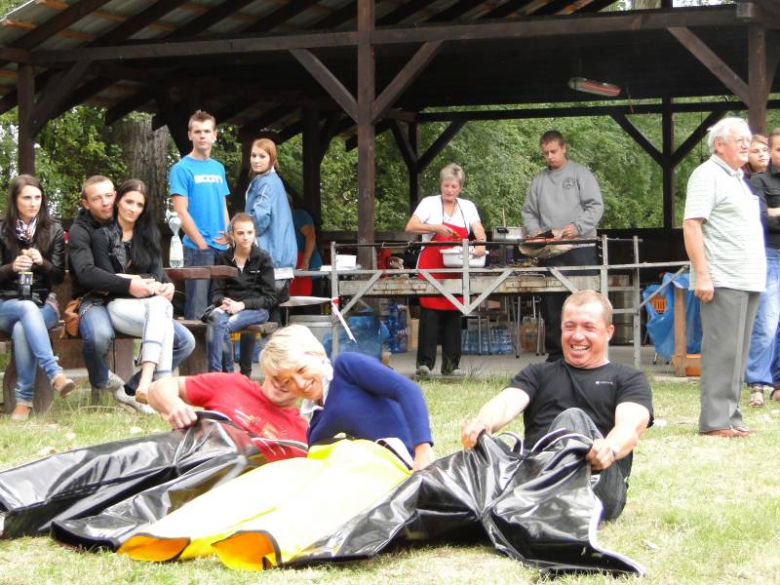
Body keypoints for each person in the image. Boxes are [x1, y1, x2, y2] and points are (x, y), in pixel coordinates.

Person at [0, 370, 308, 541]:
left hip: (209, 482)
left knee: (117, 496)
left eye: (293, 378)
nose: (282, 382)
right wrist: (173, 405)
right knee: (101, 462)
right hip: (175, 446)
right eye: (277, 372)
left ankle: (26, 521)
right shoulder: (235, 384)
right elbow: (162, 386)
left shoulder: (302, 433)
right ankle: (7, 495)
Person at [460, 290, 652, 521]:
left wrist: (609, 447)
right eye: (570, 327)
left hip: (597, 486)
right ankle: (527, 494)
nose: (577, 336)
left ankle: (528, 498)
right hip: (534, 474)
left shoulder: (628, 379)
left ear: (608, 332)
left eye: (588, 328)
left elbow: (630, 426)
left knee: (571, 419)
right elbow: (506, 402)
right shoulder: (538, 374)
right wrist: (484, 423)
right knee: (489, 449)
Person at [68, 175, 195, 412]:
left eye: (108, 195)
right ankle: (107, 382)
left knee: (184, 340)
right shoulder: (82, 230)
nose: (105, 202)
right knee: (99, 335)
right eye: (97, 198)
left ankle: (134, 389)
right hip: (95, 298)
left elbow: (156, 270)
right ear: (86, 203)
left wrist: (166, 284)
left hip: (139, 302)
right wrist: (133, 285)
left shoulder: (144, 232)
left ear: (115, 195)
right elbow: (87, 273)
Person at [683, 117, 765, 438]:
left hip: (746, 277)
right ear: (719, 144)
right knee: (721, 351)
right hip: (723, 277)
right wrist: (703, 274)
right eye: (739, 139)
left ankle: (731, 416)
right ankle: (715, 421)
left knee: (738, 354)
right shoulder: (706, 175)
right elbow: (692, 225)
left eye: (748, 139)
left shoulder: (737, 178)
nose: (747, 144)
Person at [262, 324, 435, 471]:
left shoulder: (345, 369)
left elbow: (406, 390)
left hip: (410, 468)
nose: (299, 383)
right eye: (288, 381)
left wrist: (422, 449)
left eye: (301, 369)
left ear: (316, 354)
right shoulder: (314, 430)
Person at [91, 179, 178, 400]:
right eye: (129, 201)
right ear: (118, 201)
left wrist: (169, 285)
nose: (133, 208)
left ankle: (148, 382)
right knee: (164, 314)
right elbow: (107, 277)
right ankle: (158, 387)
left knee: (162, 308)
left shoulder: (149, 236)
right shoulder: (102, 236)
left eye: (139, 205)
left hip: (150, 307)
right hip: (118, 306)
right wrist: (146, 281)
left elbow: (159, 274)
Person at [522, 130, 604, 361]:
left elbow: (596, 207)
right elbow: (528, 213)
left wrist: (576, 228)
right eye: (545, 153)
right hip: (550, 251)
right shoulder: (538, 181)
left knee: (585, 302)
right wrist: (537, 233)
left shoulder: (581, 173)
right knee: (552, 305)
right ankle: (556, 355)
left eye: (553, 152)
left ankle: (590, 351)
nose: (550, 157)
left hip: (580, 248)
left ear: (564, 148)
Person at [0, 175, 74, 421]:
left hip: (44, 305)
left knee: (25, 326)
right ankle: (55, 372)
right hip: (6, 305)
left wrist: (42, 263)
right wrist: (11, 268)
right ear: (15, 200)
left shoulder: (52, 230)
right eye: (27, 198)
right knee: (25, 310)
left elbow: (57, 278)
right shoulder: (1, 229)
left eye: (38, 198)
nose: (33, 203)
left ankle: (24, 401)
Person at [405, 163, 487, 377]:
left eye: (454, 186)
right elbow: (411, 226)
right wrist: (435, 228)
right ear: (440, 185)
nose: (449, 190)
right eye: (446, 185)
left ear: (460, 188)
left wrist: (481, 242)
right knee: (430, 312)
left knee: (454, 314)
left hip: (455, 267)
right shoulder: (428, 204)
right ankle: (424, 364)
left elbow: (477, 227)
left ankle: (451, 365)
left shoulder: (467, 206)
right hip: (431, 266)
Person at [170, 110, 230, 320]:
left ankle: (217, 354)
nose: (202, 135)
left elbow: (223, 204)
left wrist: (229, 235)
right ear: (190, 135)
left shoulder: (218, 168)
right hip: (197, 249)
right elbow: (180, 211)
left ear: (214, 135)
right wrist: (201, 243)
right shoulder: (181, 168)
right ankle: (196, 354)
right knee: (197, 312)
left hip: (222, 248)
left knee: (220, 309)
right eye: (198, 131)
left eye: (206, 131)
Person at [206, 213, 276, 373]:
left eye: (249, 232)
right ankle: (218, 375)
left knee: (222, 326)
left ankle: (228, 376)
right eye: (240, 233)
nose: (246, 237)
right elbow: (216, 293)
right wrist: (223, 301)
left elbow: (270, 298)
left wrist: (242, 305)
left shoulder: (263, 258)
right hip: (229, 308)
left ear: (254, 233)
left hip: (256, 310)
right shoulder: (224, 258)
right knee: (215, 319)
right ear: (232, 235)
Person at [747, 129, 780, 406]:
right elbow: (759, 220)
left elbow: (771, 215)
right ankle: (757, 382)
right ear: (771, 151)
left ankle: (778, 384)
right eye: (779, 149)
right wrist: (769, 214)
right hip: (770, 255)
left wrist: (775, 210)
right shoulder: (758, 180)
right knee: (767, 323)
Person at [289, 200, 323, 297]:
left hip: (308, 267)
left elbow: (311, 236)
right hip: (295, 269)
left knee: (310, 306)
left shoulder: (297, 215)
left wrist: (305, 261)